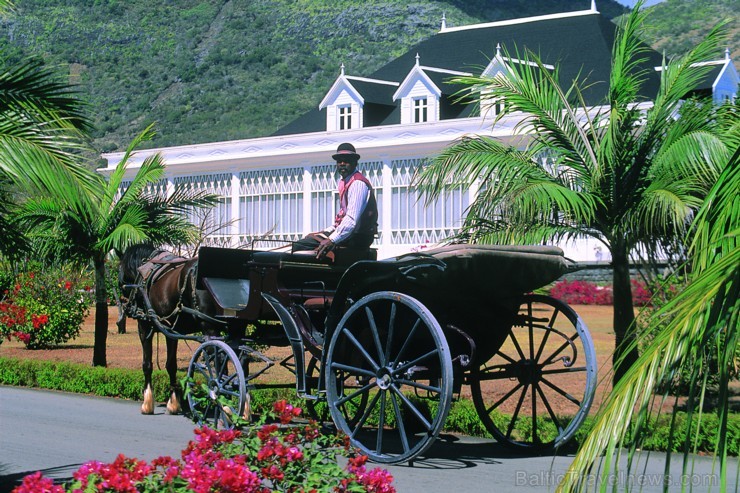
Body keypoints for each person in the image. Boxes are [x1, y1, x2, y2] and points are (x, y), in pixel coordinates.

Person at [293, 143, 378, 260]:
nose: (342, 164)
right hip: (351, 233)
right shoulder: (345, 182)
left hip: (359, 237)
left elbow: (351, 220)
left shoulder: (358, 184)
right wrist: (326, 232)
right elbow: (343, 216)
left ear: (355, 163)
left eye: (346, 161)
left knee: (301, 246)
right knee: (304, 242)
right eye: (339, 161)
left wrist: (332, 240)